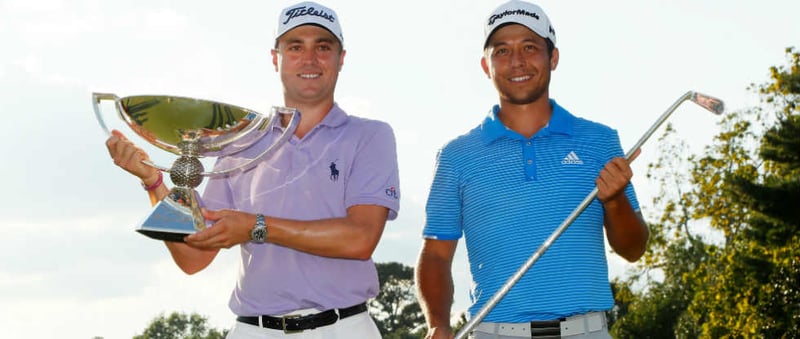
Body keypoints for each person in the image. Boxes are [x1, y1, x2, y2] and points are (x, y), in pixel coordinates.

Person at [105, 2, 400, 338]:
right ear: (275, 58)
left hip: (343, 327)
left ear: (340, 58)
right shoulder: (239, 140)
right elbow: (193, 259)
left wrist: (257, 227)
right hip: (255, 330)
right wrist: (154, 181)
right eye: (294, 47)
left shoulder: (370, 135)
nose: (309, 59)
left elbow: (359, 239)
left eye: (322, 46)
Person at [415, 1, 649, 338]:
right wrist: (438, 323)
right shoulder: (456, 156)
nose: (517, 62)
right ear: (486, 65)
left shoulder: (599, 141)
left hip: (585, 331)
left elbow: (633, 249)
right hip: (494, 332)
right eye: (502, 51)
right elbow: (436, 255)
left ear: (553, 58)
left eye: (529, 47)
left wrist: (614, 201)